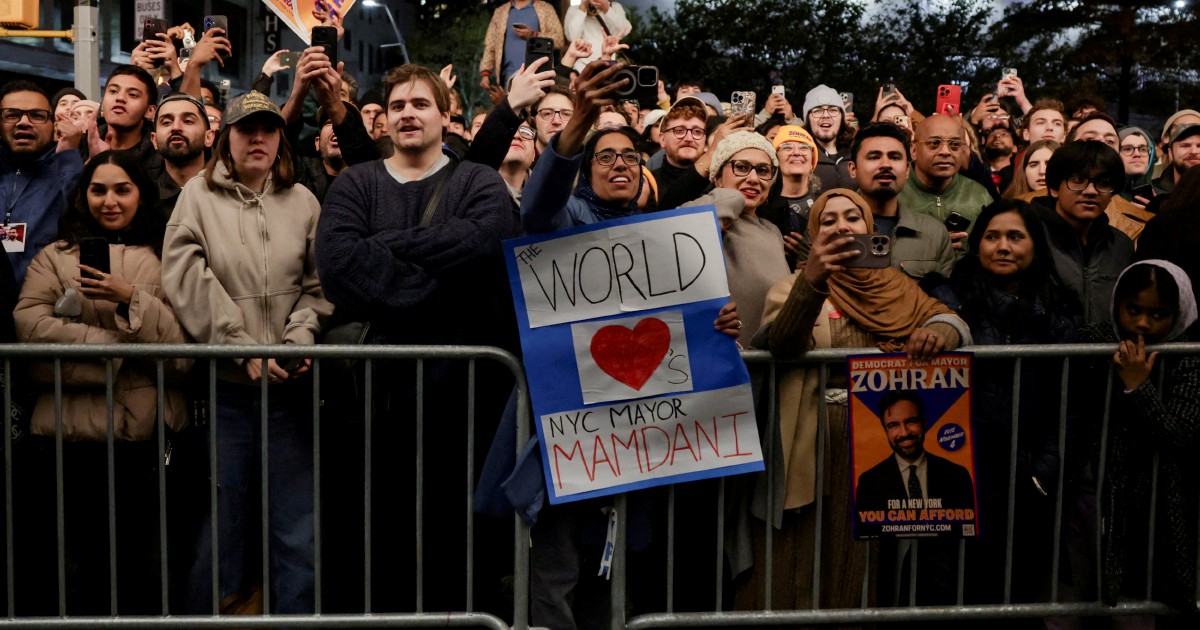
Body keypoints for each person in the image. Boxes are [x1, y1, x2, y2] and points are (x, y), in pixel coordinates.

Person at [316, 63, 517, 613]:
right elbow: (337, 264)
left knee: (454, 542)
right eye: (399, 104)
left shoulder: (478, 181)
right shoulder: (357, 182)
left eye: (421, 104)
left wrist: (382, 247)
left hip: (461, 405)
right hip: (373, 404)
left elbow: (486, 243)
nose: (408, 113)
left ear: (446, 115)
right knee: (374, 536)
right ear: (385, 118)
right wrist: (440, 281)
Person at [735, 189, 970, 612]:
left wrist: (944, 331)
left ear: (869, 228)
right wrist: (813, 283)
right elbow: (784, 343)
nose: (842, 226)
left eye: (852, 218)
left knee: (856, 559)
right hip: (812, 437)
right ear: (814, 235)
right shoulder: (790, 285)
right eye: (828, 221)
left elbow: (946, 317)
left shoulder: (897, 286)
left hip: (875, 446)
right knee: (796, 554)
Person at [162, 91, 332, 616]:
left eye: (266, 128)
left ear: (281, 137)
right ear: (225, 140)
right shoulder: (196, 196)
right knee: (219, 525)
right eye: (244, 129)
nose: (257, 138)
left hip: (291, 392)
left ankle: (296, 626)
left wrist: (297, 339)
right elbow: (185, 275)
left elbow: (318, 282)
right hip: (226, 394)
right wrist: (241, 348)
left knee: (297, 529)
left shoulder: (304, 200)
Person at [14, 150, 190, 614]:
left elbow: (185, 350)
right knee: (73, 569)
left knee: (146, 567)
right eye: (98, 189)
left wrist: (129, 297)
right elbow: (31, 331)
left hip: (147, 440)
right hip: (67, 440)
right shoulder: (54, 257)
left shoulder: (168, 257)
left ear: (141, 195)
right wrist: (119, 344)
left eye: (122, 189)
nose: (109, 201)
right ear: (82, 195)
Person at [929, 199, 1079, 608]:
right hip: (958, 471)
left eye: (1015, 236)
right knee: (953, 589)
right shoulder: (947, 298)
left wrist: (1044, 470)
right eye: (992, 236)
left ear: (1035, 245)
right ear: (976, 244)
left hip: (1028, 475)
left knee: (1020, 592)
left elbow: (1071, 401)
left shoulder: (1061, 308)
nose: (1002, 246)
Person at [1081, 261, 1200, 614]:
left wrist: (1138, 386)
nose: (1143, 324)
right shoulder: (1092, 343)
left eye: (1159, 313)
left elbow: (1180, 431)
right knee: (1073, 592)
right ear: (1117, 302)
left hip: (1157, 495)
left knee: (1139, 600)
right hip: (1092, 488)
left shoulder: (1188, 358)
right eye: (1133, 309)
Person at [853, 390, 977, 532]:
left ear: (924, 423)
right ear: (885, 430)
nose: (904, 433)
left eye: (911, 421)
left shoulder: (957, 475)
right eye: (893, 425)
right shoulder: (869, 482)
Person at [846, 122, 955, 281]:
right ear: (852, 169)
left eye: (894, 157)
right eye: (874, 157)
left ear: (906, 170)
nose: (885, 165)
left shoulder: (934, 234)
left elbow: (943, 302)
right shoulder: (829, 227)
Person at [0, 80, 85, 284]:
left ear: (54, 125)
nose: (24, 122)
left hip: (43, 304)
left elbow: (85, 219)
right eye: (12, 114)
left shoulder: (66, 172)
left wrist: (69, 156)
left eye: (37, 115)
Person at [896, 114, 993, 249]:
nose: (945, 152)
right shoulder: (893, 193)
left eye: (954, 145)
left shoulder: (979, 195)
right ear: (913, 150)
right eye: (934, 143)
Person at [758, 125, 821, 266]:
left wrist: (809, 256)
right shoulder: (761, 207)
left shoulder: (826, 206)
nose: (796, 152)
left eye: (804, 147)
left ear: (812, 159)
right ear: (775, 158)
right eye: (787, 147)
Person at [150, 93, 214, 217]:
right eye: (167, 122)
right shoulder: (143, 199)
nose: (176, 127)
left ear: (208, 137)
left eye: (188, 121)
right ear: (154, 140)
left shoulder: (228, 194)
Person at [480, 0, 565, 91]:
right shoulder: (500, 12)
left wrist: (533, 35)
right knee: (511, 104)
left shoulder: (545, 8)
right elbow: (490, 45)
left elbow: (559, 40)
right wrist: (485, 73)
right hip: (508, 79)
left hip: (538, 76)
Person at [801, 85, 856, 190]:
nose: (826, 115)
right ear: (808, 119)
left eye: (833, 110)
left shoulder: (856, 153)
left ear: (842, 118)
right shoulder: (800, 156)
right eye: (817, 110)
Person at [563, 0, 631, 71]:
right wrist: (582, 8)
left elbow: (626, 30)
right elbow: (572, 37)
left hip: (608, 64)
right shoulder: (574, 9)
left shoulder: (615, 7)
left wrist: (606, 9)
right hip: (583, 66)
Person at [1154, 123, 1200, 194]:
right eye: (1185, 146)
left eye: (1199, 146)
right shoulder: (1151, 193)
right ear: (1170, 153)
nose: (1194, 151)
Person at [1117, 126, 1160, 203]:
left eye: (1143, 149)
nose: (1137, 154)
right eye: (1127, 149)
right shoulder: (1104, 197)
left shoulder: (1163, 199)